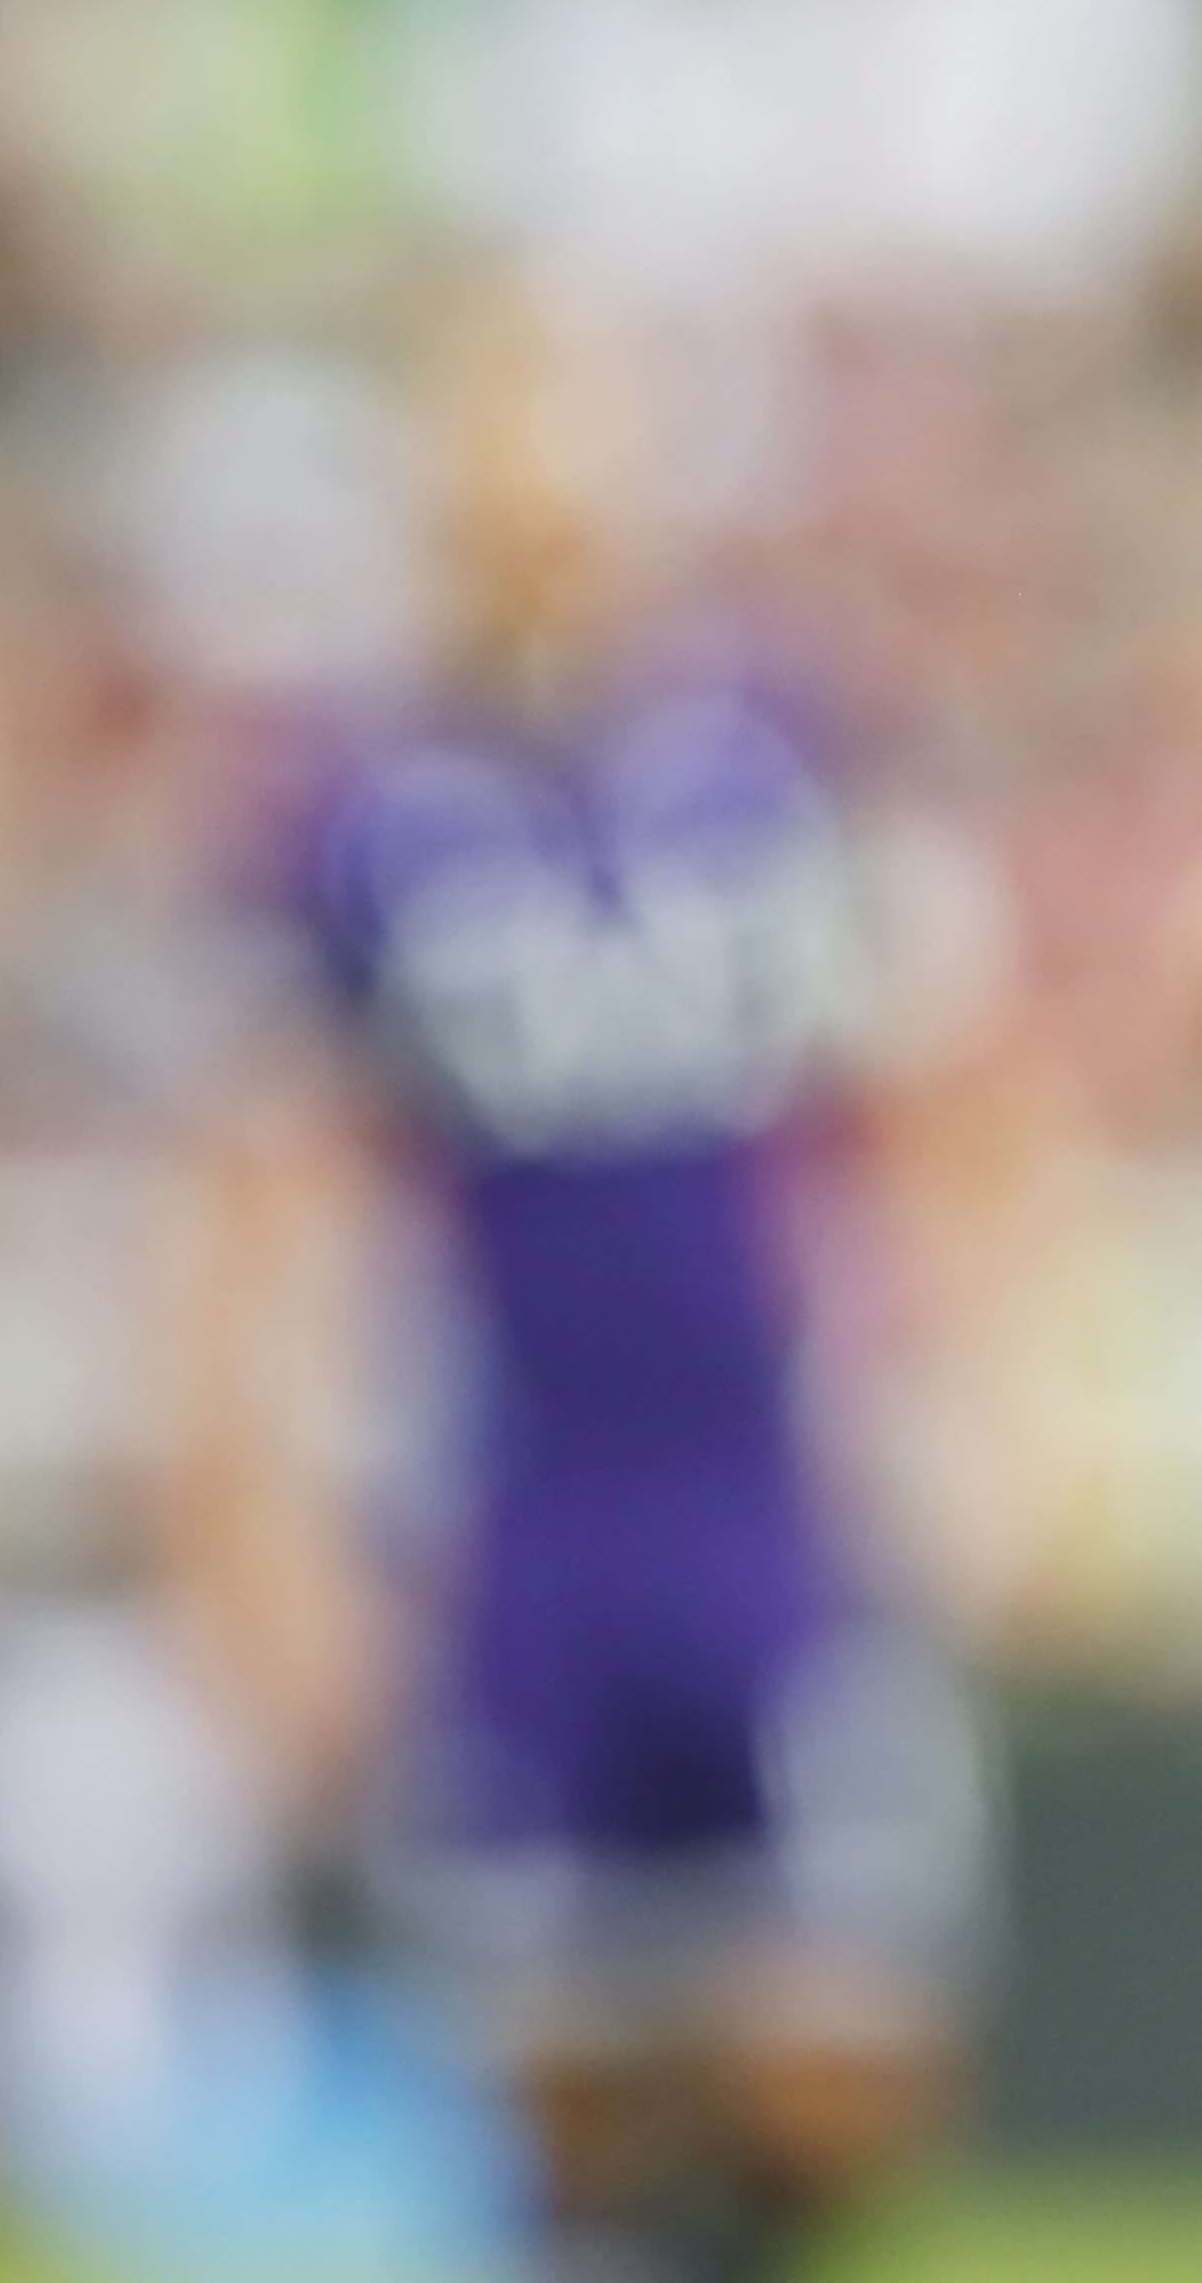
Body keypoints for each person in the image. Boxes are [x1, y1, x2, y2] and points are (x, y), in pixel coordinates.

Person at [183, 299, 979, 2283]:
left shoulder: (776, 753)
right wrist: (256, 1519)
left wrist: (982, 1389)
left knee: (837, 2048)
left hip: (758, 1483)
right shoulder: (356, 810)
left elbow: (929, 1087)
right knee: (556, 2069)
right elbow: (272, 1173)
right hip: (517, 1495)